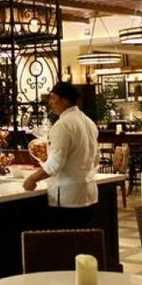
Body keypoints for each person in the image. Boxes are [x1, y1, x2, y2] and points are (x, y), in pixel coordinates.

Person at [23, 82, 100, 228]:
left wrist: (32, 178)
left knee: (66, 240)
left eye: (53, 98)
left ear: (65, 100)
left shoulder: (63, 125)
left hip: (67, 197)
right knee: (84, 239)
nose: (50, 102)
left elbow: (55, 165)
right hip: (88, 192)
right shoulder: (88, 122)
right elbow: (96, 157)